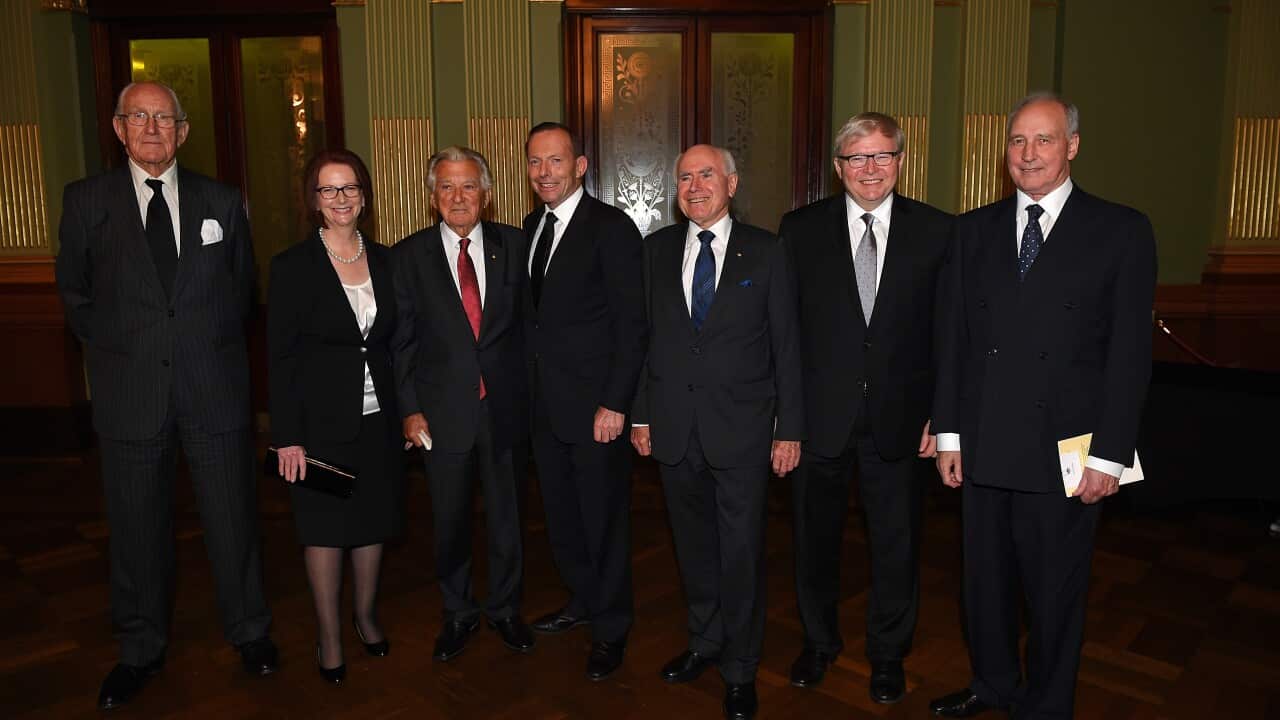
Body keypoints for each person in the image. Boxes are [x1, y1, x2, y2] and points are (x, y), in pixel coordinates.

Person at [929, 92, 1156, 718]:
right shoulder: (972, 230)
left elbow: (1130, 356)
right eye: (1018, 141)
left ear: (1073, 146)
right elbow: (953, 342)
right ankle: (992, 683)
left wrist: (1110, 455)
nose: (1028, 154)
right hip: (982, 444)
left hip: (1069, 453)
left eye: (1044, 140)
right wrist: (948, 435)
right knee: (985, 586)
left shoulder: (1121, 230)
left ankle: (1047, 704)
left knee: (1054, 593)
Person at [55, 81, 276, 710]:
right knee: (135, 530)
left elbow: (240, 294)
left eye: (164, 119)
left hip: (213, 390)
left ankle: (250, 632)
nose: (152, 128)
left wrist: (200, 346)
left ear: (182, 131)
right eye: (139, 117)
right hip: (131, 395)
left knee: (234, 521)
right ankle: (140, 647)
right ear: (119, 129)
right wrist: (126, 348)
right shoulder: (85, 201)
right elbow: (75, 296)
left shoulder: (222, 201)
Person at [779, 112, 953, 703]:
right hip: (819, 420)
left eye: (882, 156)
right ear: (838, 168)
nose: (870, 169)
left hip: (903, 421)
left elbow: (948, 334)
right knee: (814, 543)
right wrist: (788, 421)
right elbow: (786, 335)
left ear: (901, 161)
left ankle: (887, 654)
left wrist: (942, 415)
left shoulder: (937, 231)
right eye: (858, 158)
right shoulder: (799, 230)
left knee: (897, 544)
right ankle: (819, 642)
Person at [631, 144, 802, 720]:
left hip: (745, 434)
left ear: (732, 182)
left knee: (741, 553)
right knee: (694, 549)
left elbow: (787, 349)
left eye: (706, 175)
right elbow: (644, 342)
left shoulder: (768, 251)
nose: (695, 185)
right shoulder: (654, 252)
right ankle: (704, 642)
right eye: (685, 176)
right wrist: (642, 414)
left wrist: (789, 430)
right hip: (675, 432)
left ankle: (741, 667)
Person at [392, 146, 534, 662]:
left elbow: (529, 332)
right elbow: (401, 342)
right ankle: (458, 612)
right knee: (449, 520)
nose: (458, 197)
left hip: (505, 411)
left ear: (487, 194)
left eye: (468, 186)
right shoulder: (408, 256)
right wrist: (409, 409)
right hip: (441, 415)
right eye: (447, 187)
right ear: (432, 197)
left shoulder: (515, 246)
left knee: (508, 518)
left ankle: (505, 608)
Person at [267, 149, 403, 685]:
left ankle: (365, 616)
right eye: (329, 190)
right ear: (314, 200)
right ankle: (328, 634)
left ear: (364, 195)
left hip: (379, 421)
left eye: (349, 188)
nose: (340, 199)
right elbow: (280, 359)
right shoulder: (292, 267)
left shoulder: (389, 261)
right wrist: (287, 439)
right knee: (324, 531)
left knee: (372, 523)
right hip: (318, 426)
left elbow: (399, 344)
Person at [522, 122, 647, 680]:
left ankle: (612, 626)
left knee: (603, 521)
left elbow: (632, 325)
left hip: (597, 410)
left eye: (555, 161)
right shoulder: (529, 228)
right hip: (544, 410)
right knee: (563, 518)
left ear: (580, 166)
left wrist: (617, 403)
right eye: (534, 162)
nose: (544, 171)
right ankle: (582, 600)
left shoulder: (612, 228)